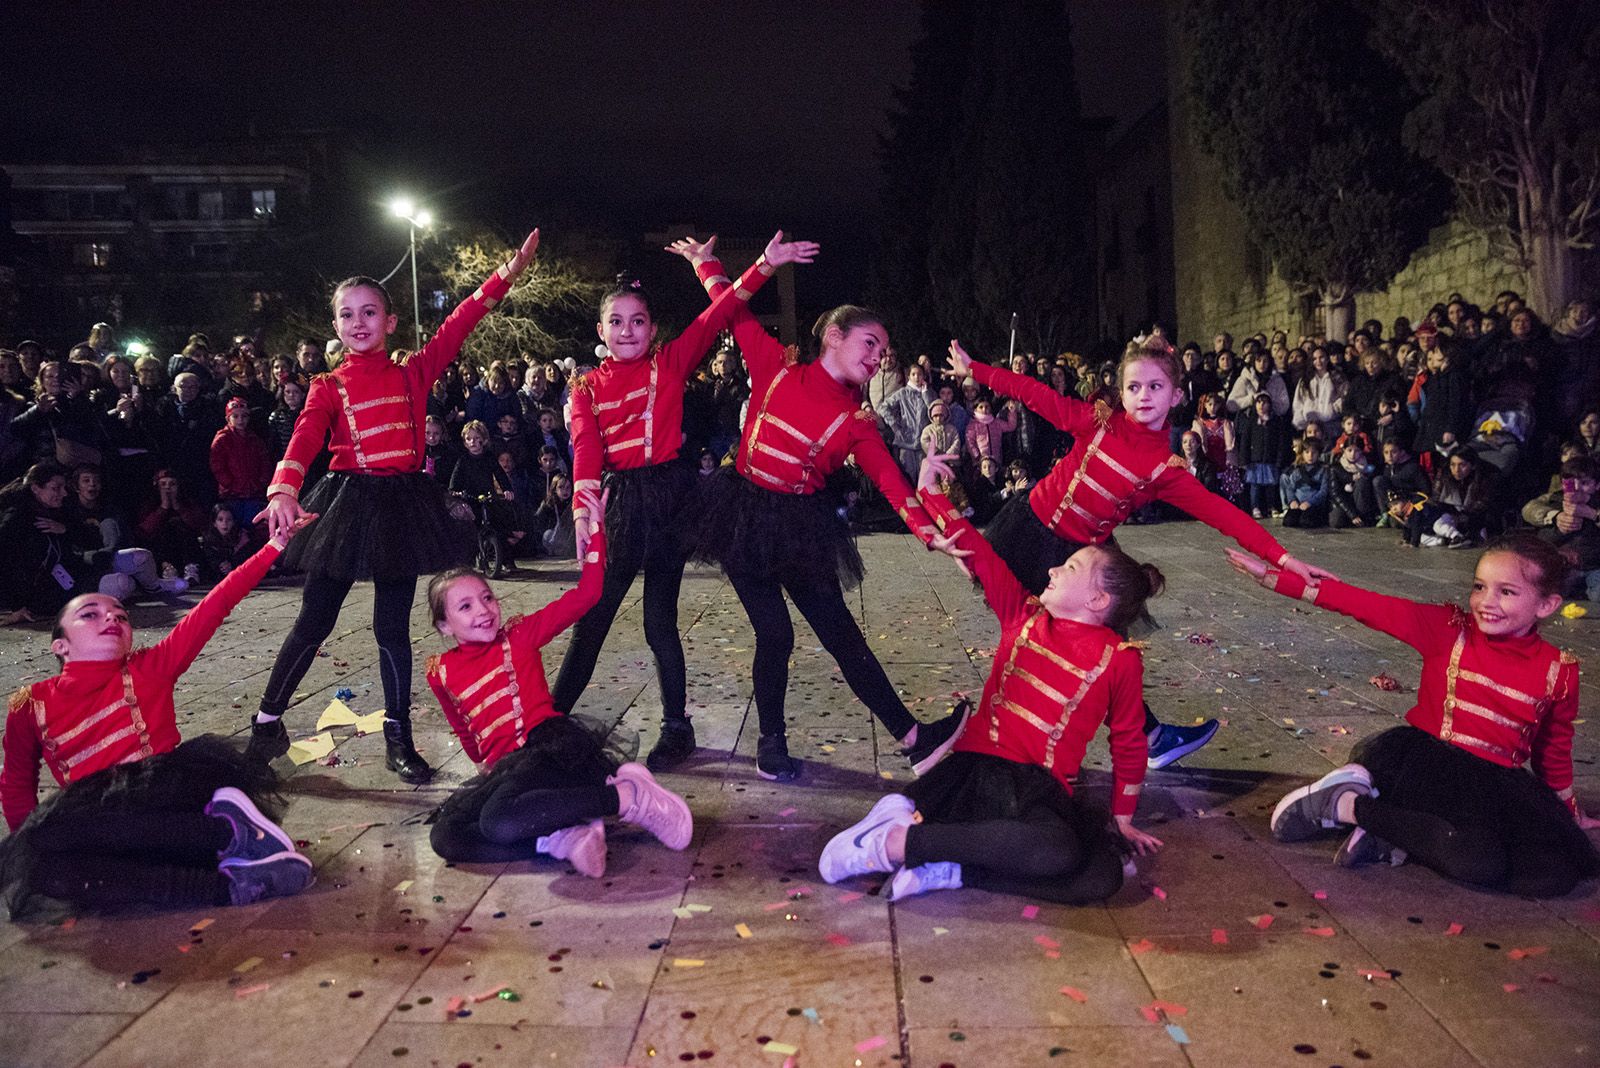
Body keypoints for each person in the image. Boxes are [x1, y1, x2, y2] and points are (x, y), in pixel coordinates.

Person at [245, 230, 540, 783]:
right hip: (346, 503)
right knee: (315, 619)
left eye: (370, 312)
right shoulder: (326, 385)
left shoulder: (414, 371)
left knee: (392, 627)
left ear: (391, 321)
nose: (359, 323)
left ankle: (397, 736)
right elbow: (307, 435)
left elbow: (460, 323)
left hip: (403, 506)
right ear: (335, 326)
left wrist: (506, 274)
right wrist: (283, 487)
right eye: (347, 314)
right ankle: (266, 722)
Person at [948, 337, 1318, 768]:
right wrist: (976, 370)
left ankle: (1144, 737)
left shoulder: (1165, 469)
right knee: (1054, 643)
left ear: (1177, 395)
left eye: (1155, 387)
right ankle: (1028, 740)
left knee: (1103, 649)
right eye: (1134, 387)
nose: (1143, 396)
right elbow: (1037, 394)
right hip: (1030, 534)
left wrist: (1284, 559)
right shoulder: (1099, 422)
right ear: (1120, 392)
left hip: (1086, 554)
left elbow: (1226, 515)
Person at [817, 453, 1162, 904]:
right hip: (979, 774)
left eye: (1071, 568)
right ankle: (895, 844)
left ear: (1098, 600)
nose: (1054, 569)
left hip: (1042, 791)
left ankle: (950, 870)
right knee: (1056, 852)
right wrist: (930, 494)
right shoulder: (1023, 613)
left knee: (1100, 877)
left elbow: (1130, 740)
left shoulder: (1120, 660)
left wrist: (1123, 815)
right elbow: (978, 550)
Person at [688, 273, 966, 782]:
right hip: (742, 519)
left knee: (840, 632)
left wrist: (929, 532)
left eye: (883, 349)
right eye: (870, 343)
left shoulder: (854, 420)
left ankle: (913, 738)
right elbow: (734, 309)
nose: (879, 356)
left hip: (800, 527)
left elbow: (890, 480)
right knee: (775, 633)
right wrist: (712, 267)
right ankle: (771, 742)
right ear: (833, 337)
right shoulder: (774, 366)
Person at [551, 231, 810, 772]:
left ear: (653, 327)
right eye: (616, 322)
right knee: (593, 617)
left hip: (670, 498)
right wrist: (582, 505)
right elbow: (584, 447)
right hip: (619, 503)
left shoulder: (669, 364)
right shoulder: (585, 388)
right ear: (600, 331)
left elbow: (722, 313)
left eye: (638, 321)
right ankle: (546, 724)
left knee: (660, 621)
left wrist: (763, 262)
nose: (627, 331)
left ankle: (676, 725)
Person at [1231, 536, 1599, 897]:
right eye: (1479, 586)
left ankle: (1393, 832)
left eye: (1507, 592)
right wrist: (1275, 578)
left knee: (1553, 874)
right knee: (1476, 862)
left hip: (1497, 783)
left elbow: (1553, 747)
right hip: (1428, 764)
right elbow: (1367, 605)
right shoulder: (1448, 629)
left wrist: (1566, 810)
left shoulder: (1558, 670)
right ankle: (1345, 805)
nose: (1486, 602)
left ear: (1547, 605)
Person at [0, 515, 317, 917]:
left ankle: (227, 833)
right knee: (45, 864)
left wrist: (272, 547)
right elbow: (16, 785)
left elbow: (216, 603)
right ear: (61, 646)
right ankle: (231, 886)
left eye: (120, 614)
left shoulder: (151, 666)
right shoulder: (29, 703)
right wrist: (25, 849)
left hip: (168, 803)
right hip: (103, 831)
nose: (112, 617)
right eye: (91, 615)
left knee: (86, 831)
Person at [424, 498, 694, 873]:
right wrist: (485, 765)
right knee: (446, 837)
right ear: (444, 626)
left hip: (549, 752)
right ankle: (562, 838)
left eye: (487, 597)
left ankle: (628, 798)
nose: (484, 610)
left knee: (498, 822)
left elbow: (587, 596)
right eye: (465, 607)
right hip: (506, 769)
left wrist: (597, 533)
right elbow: (464, 728)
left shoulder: (519, 636)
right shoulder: (440, 671)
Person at [210, 398, 273, 531]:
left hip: (253, 491)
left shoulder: (254, 439)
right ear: (228, 418)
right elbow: (217, 466)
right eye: (235, 416)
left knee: (252, 526)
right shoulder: (222, 439)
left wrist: (262, 481)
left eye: (244, 416)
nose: (240, 420)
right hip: (232, 494)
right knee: (233, 526)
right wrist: (229, 483)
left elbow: (264, 461)